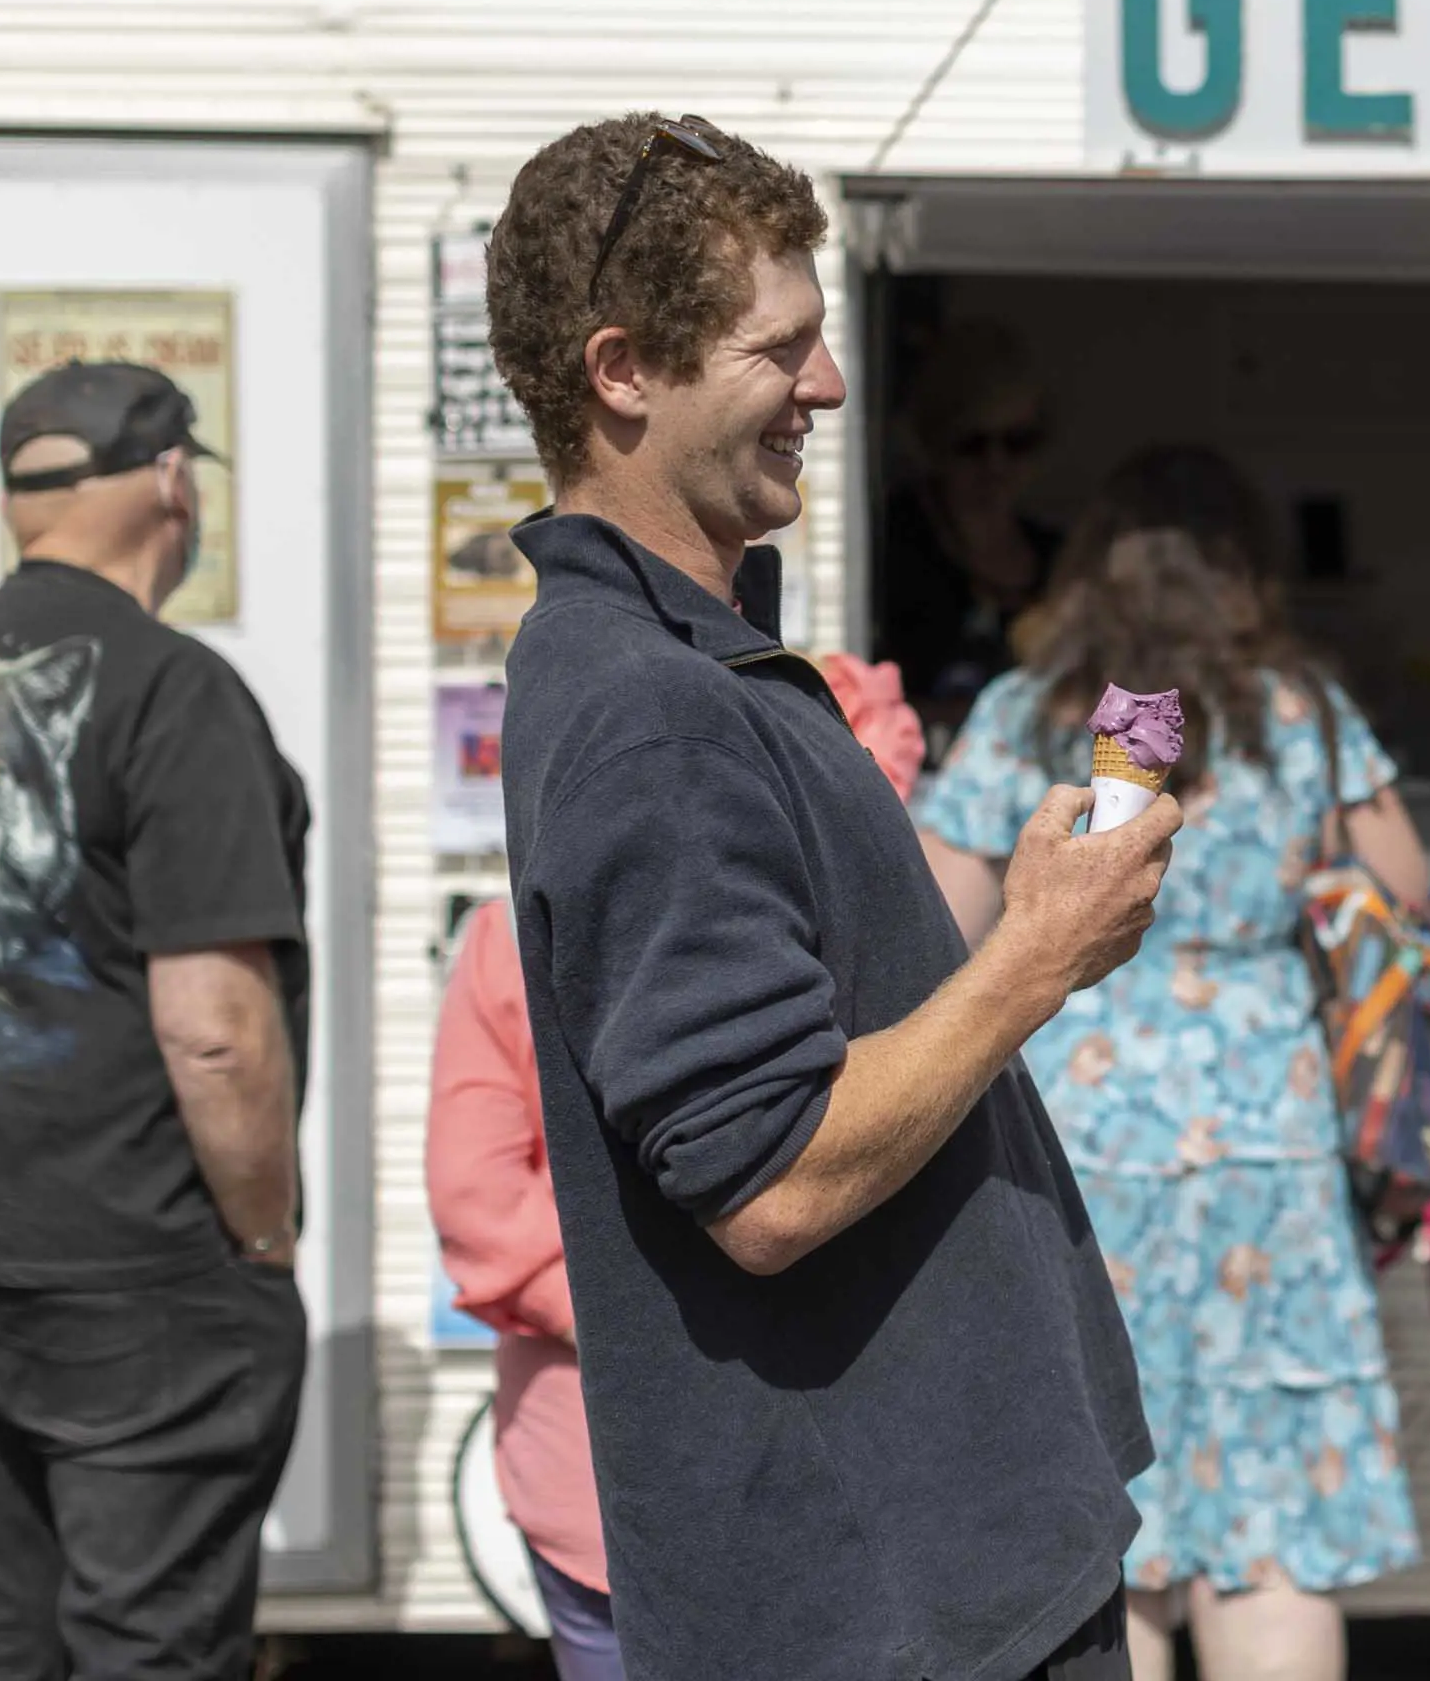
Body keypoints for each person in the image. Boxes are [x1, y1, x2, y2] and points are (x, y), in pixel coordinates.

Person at [484, 113, 1182, 1681]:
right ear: (621, 370)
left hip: (929, 1576)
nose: (830, 386)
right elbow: (771, 1179)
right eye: (778, 348)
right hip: (882, 1606)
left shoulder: (686, 668)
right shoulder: (648, 711)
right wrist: (1038, 951)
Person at [914, 446, 1426, 1681]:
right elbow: (1400, 891)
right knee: (1269, 1541)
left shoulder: (1031, 708)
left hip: (1085, 1138)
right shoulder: (1300, 709)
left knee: (1112, 1524)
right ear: (1246, 569)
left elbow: (938, 916)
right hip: (1273, 1139)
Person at [428, 654, 926, 1681]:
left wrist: (642, 1307)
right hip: (802, 1458)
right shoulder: (882, 934)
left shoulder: (511, 929)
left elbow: (479, 1199)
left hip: (612, 1467)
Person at [0, 361, 312, 1680]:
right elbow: (216, 1028)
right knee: (149, 1651)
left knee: (0, 1647)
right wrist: (264, 1230)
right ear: (175, 481)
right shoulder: (176, 694)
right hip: (143, 1280)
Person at [874, 316, 1062, 746]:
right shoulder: (892, 548)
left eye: (1018, 442)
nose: (997, 465)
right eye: (973, 445)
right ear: (933, 443)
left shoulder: (1060, 557)